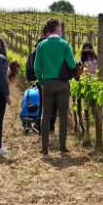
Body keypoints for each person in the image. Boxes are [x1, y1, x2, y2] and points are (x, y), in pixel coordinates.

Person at [34, 18, 77, 154]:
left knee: (45, 115)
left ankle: (44, 147)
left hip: (48, 83)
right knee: (63, 115)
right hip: (63, 84)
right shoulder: (65, 45)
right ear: (58, 29)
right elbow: (71, 64)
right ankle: (62, 147)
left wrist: (42, 81)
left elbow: (36, 68)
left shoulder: (41, 46)